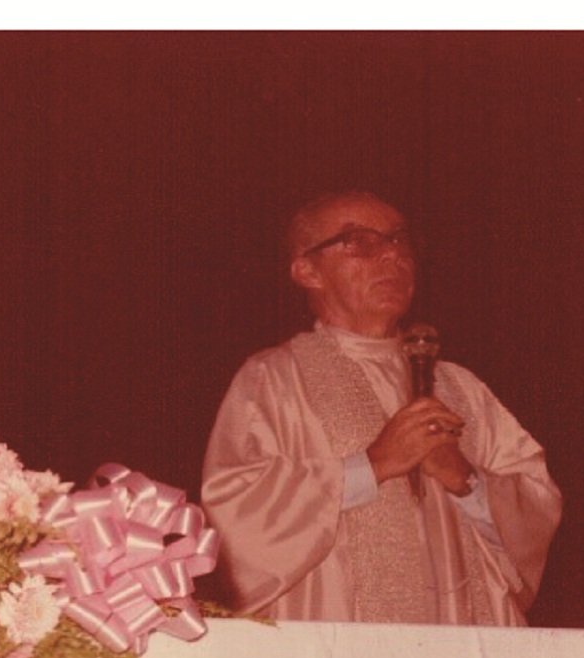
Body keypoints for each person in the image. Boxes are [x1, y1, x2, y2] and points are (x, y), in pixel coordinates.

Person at [200, 191, 562, 625]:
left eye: (398, 241)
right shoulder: (274, 378)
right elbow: (237, 521)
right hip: (338, 640)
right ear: (307, 270)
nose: (392, 256)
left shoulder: (460, 387)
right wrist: (373, 465)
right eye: (360, 242)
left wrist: (466, 480)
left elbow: (536, 513)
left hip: (464, 637)